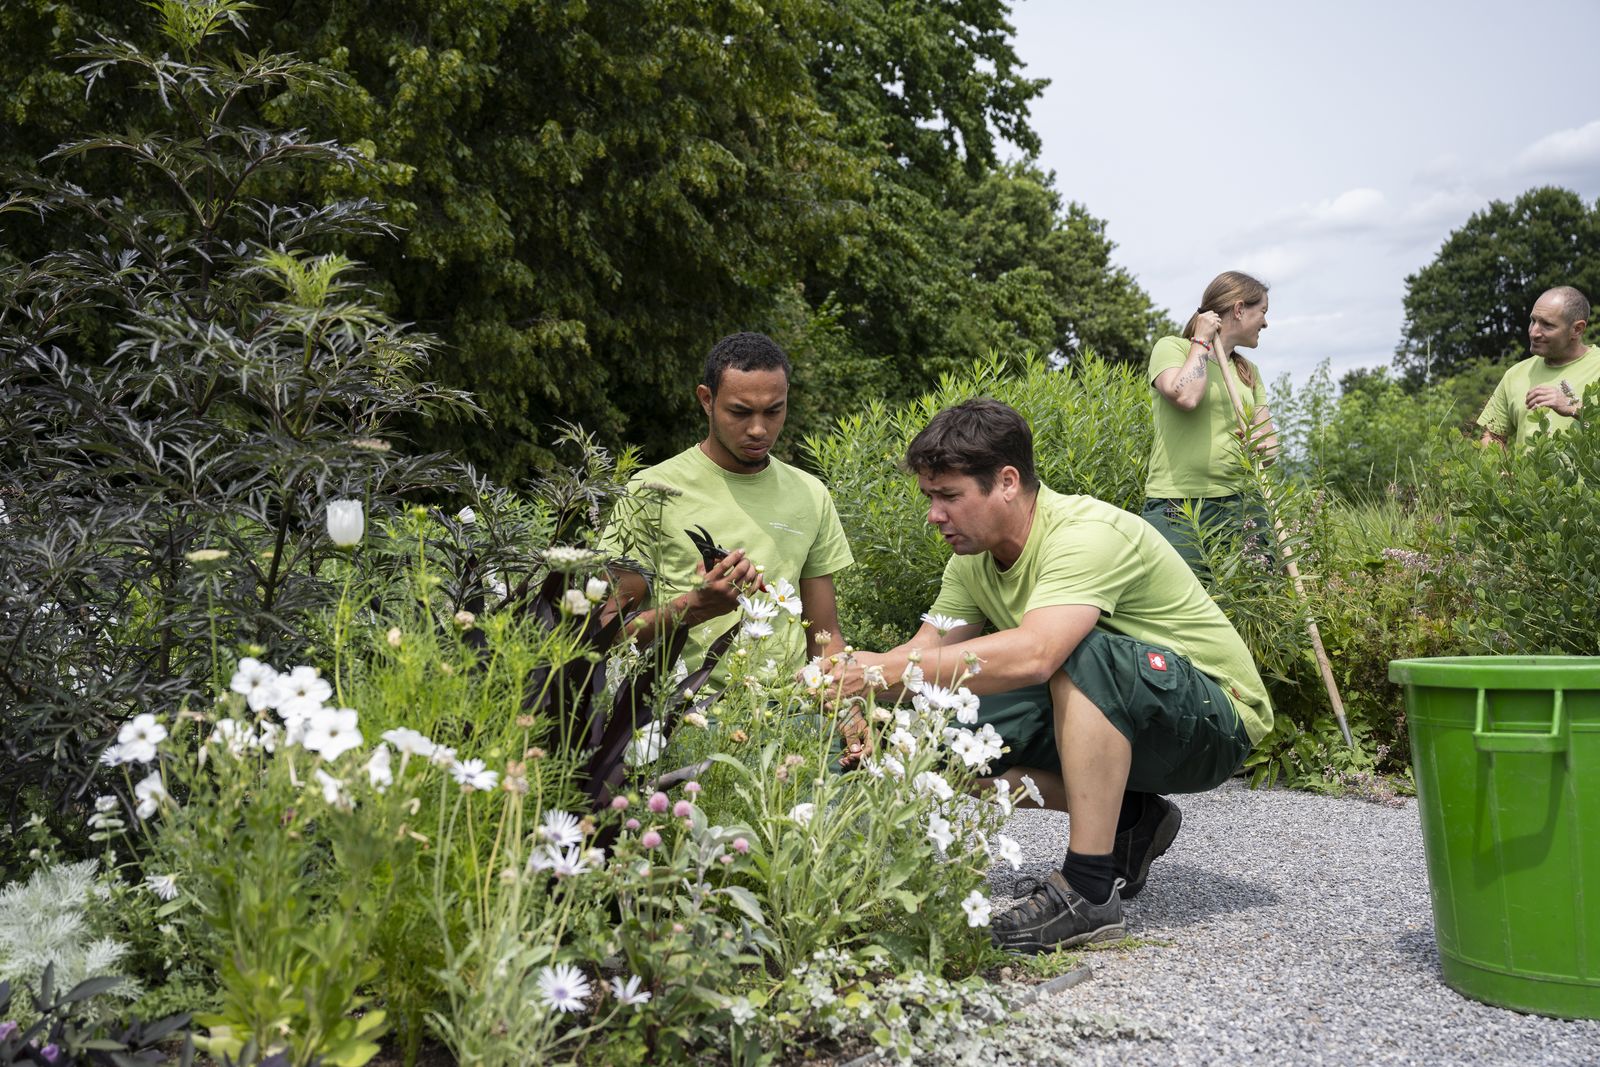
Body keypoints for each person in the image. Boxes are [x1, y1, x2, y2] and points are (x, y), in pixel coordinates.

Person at [829, 399, 1272, 954]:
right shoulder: (971, 560)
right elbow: (925, 657)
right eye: (929, 498)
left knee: (1081, 652)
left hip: (1214, 720)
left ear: (1008, 482)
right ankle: (1132, 817)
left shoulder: (1085, 533)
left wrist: (881, 670)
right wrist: (862, 691)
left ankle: (1088, 891)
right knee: (927, 738)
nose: (934, 515)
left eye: (949, 497)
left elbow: (1038, 653)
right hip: (1132, 720)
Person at [600, 332, 854, 688]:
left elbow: (825, 637)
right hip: (676, 720)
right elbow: (606, 632)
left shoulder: (810, 494)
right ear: (707, 399)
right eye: (740, 411)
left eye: (773, 411)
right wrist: (693, 606)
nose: (758, 429)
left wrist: (845, 706)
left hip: (788, 721)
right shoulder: (649, 492)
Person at [1142, 271, 1280, 574]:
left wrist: (1260, 445)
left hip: (1242, 504)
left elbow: (1270, 450)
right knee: (1179, 602)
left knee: (1257, 594)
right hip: (1180, 504)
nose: (1266, 323)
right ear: (1240, 309)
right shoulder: (1173, 349)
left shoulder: (1248, 372)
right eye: (1263, 312)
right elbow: (1186, 397)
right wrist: (1202, 340)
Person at [1478, 287, 1596, 449]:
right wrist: (1502, 471)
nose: (1534, 332)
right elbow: (1491, 435)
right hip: (1528, 476)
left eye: (1547, 325)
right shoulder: (1515, 374)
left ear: (1577, 329)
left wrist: (1573, 408)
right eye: (1533, 320)